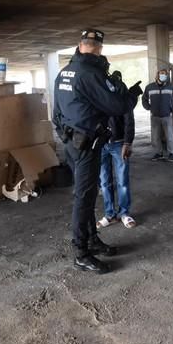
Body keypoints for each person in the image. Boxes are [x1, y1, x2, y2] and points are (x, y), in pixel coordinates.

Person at [53, 29, 142, 274]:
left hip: (72, 144)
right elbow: (117, 106)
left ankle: (92, 239)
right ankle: (81, 252)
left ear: (79, 45)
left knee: (88, 195)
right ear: (99, 48)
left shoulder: (64, 73)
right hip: (87, 146)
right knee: (84, 198)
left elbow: (56, 114)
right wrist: (130, 92)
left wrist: (69, 136)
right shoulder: (90, 74)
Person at [97, 70, 137, 230]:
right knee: (104, 181)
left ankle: (124, 213)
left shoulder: (120, 91)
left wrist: (128, 142)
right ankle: (110, 214)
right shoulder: (95, 91)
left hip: (118, 143)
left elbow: (129, 119)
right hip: (100, 144)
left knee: (122, 181)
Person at [142, 67, 173, 162]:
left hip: (167, 116)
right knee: (155, 136)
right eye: (161, 73)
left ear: (167, 76)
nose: (163, 75)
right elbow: (144, 99)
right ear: (157, 75)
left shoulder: (171, 86)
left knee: (170, 136)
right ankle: (159, 153)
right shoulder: (149, 87)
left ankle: (171, 153)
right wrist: (149, 108)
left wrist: (172, 109)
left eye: (165, 74)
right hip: (155, 116)